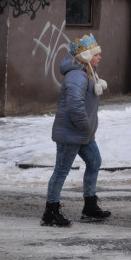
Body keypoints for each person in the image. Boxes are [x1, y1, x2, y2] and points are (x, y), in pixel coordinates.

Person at [41, 34, 111, 227]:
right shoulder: (77, 76)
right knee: (61, 170)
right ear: (86, 56)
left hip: (83, 134)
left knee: (94, 162)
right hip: (71, 133)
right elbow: (74, 105)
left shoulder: (87, 72)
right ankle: (50, 213)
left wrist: (87, 129)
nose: (100, 57)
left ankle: (89, 206)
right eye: (97, 54)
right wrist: (86, 125)